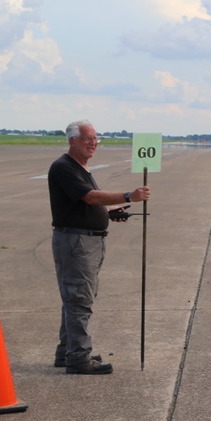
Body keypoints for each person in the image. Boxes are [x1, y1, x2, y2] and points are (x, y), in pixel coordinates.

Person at [48, 120, 151, 374]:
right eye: (87, 138)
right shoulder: (64, 167)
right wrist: (129, 196)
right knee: (78, 300)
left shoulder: (80, 168)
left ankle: (68, 351)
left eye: (95, 139)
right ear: (72, 140)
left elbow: (88, 203)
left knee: (75, 298)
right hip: (77, 242)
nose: (93, 143)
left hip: (86, 240)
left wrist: (110, 212)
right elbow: (90, 197)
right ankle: (79, 359)